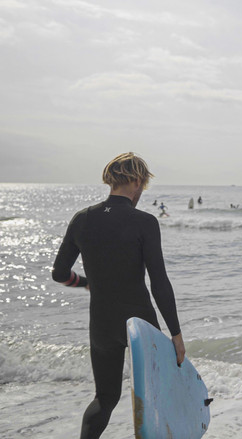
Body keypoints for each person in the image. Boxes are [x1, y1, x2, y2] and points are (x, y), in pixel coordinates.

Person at [52, 152, 185, 439]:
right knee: (159, 396)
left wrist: (87, 282)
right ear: (136, 182)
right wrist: (175, 333)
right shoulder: (144, 222)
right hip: (140, 325)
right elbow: (159, 283)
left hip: (101, 324)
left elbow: (60, 273)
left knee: (105, 399)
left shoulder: (82, 219)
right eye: (143, 186)